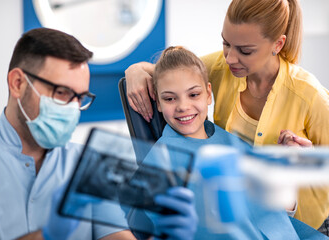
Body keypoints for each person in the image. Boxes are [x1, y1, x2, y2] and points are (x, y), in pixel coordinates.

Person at [0, 28, 196, 240]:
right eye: (62, 92)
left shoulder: (86, 163)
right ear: (18, 83)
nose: (72, 108)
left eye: (80, 97)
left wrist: (166, 234)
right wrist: (48, 233)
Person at [124, 0, 329, 230]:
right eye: (226, 43)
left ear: (277, 44)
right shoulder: (221, 68)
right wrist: (134, 70)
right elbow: (175, 73)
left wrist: (310, 161)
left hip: (305, 223)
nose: (230, 58)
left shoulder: (310, 96)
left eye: (245, 50)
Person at [142, 45, 327, 239]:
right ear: (159, 105)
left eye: (193, 94)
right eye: (170, 98)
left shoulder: (231, 142)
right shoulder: (160, 160)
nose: (183, 106)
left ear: (208, 94)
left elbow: (278, 214)